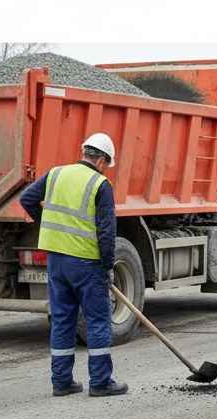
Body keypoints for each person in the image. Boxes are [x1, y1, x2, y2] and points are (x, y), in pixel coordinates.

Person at [20, 133, 127, 398]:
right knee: (98, 320)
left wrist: (48, 223)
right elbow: (106, 231)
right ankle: (101, 382)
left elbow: (27, 199)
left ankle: (62, 382)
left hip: (57, 260)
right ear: (101, 160)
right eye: (106, 163)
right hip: (87, 263)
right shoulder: (100, 184)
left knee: (62, 320)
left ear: (84, 152)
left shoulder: (56, 174)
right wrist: (107, 267)